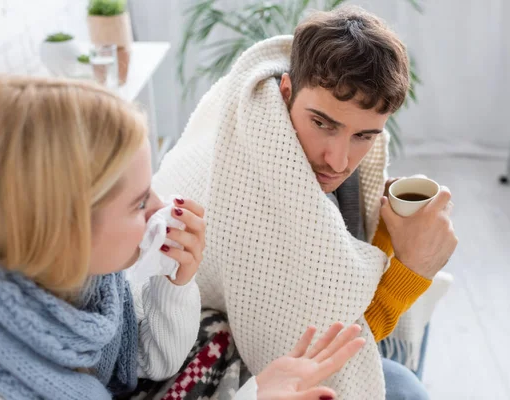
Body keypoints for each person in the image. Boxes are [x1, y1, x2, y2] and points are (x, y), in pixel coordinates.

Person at [0, 75, 369, 400]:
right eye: (139, 202)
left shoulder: (94, 286)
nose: (160, 206)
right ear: (65, 228)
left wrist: (174, 283)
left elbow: (151, 362)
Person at [151, 5, 457, 400]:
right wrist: (414, 268)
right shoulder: (256, 169)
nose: (339, 159)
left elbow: (335, 278)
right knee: (404, 385)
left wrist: (385, 225)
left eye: (363, 136)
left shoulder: (325, 162)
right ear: (285, 90)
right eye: (322, 124)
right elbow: (324, 354)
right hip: (187, 349)